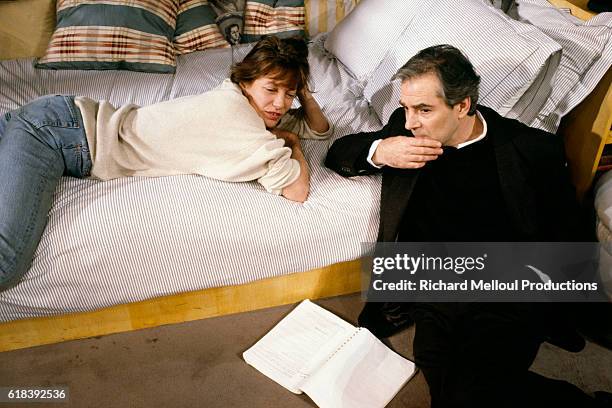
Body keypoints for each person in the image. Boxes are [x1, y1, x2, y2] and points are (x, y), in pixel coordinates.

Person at [325, 44, 611, 407]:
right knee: (447, 385)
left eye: (424, 110)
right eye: (406, 108)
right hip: (437, 291)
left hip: (504, 292)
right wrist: (380, 151)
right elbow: (341, 152)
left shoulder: (530, 149)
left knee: (469, 392)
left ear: (462, 106)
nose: (411, 121)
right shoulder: (406, 131)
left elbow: (569, 234)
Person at [0, 36, 331, 290]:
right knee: (6, 263)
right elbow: (297, 190)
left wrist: (301, 94)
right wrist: (292, 144)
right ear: (245, 82)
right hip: (55, 134)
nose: (279, 104)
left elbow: (317, 129)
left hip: (61, 120)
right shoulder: (237, 121)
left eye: (289, 95)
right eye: (271, 89)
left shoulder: (242, 101)